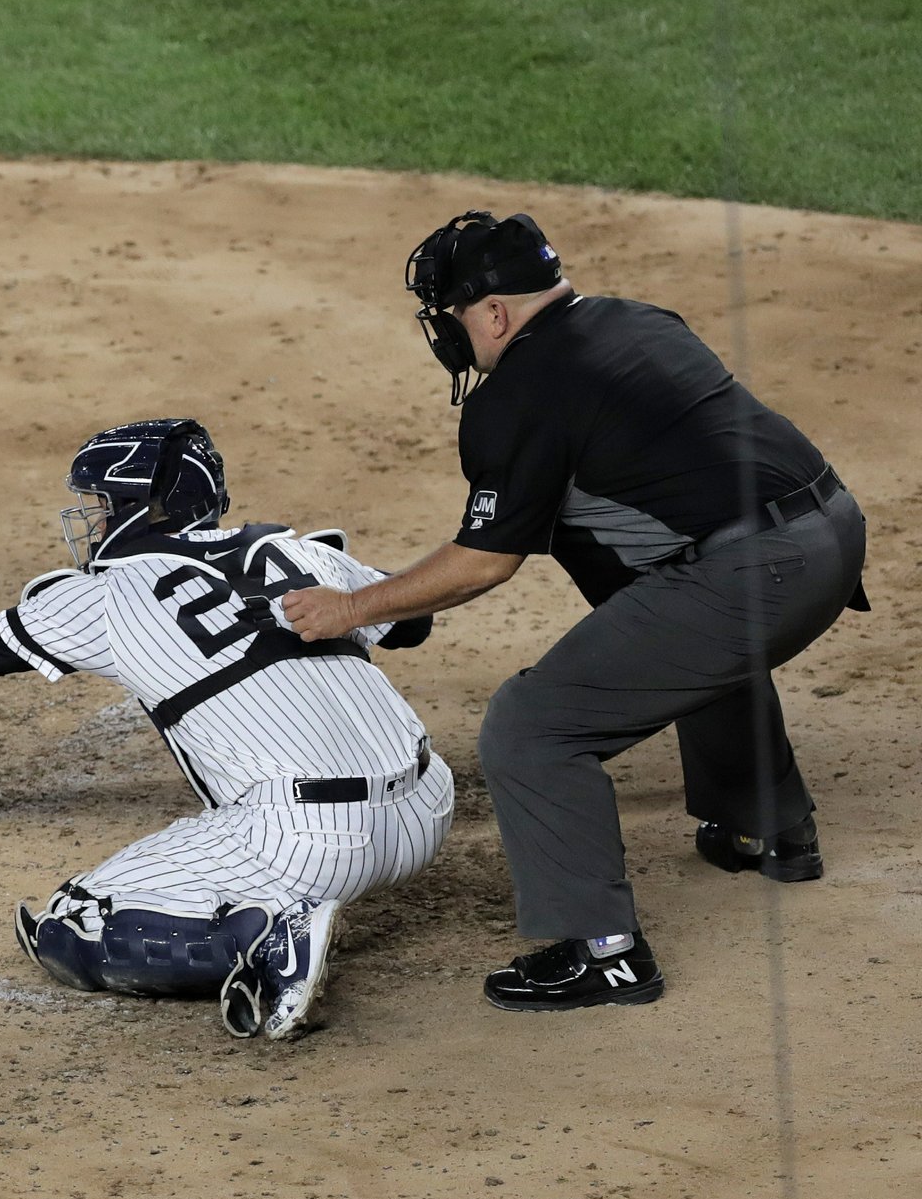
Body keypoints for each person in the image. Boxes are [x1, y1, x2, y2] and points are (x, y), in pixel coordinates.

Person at [280, 210, 869, 1013]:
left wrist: (351, 606)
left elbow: (483, 561)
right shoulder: (639, 319)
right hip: (834, 531)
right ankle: (767, 827)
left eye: (453, 313)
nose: (448, 332)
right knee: (678, 619)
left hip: (757, 575)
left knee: (531, 726)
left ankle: (605, 952)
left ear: (493, 312)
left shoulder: (519, 392)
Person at [0, 419, 454, 1039]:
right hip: (428, 812)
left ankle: (268, 941)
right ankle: (285, 912)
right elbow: (411, 621)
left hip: (309, 847)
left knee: (72, 924)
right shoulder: (300, 552)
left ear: (138, 507)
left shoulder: (100, 597)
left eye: (100, 503)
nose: (92, 520)